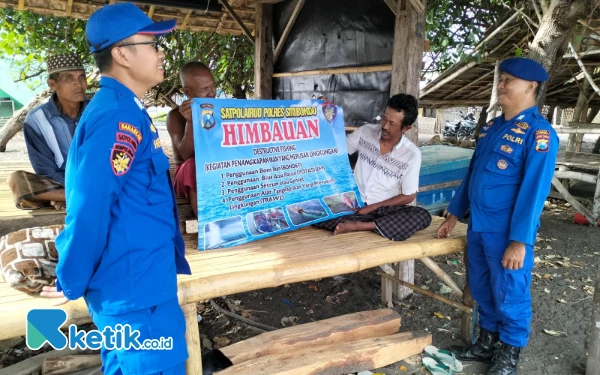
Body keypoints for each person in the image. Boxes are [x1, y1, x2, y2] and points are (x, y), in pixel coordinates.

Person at [39, 3, 191, 375]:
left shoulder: (127, 109)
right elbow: (89, 206)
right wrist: (70, 277)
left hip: (142, 283)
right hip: (135, 294)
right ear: (122, 54)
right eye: (152, 43)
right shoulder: (117, 117)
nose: (160, 53)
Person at [436, 57, 559, 375]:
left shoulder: (539, 134)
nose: (501, 85)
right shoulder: (493, 127)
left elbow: (534, 193)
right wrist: (453, 214)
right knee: (481, 287)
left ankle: (509, 354)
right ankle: (486, 344)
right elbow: (473, 174)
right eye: (501, 79)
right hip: (477, 225)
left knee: (509, 291)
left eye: (509, 80)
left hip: (507, 233)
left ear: (530, 86)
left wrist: (520, 241)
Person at [313, 93, 432, 241]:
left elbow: (409, 195)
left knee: (422, 216)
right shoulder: (366, 132)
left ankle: (359, 226)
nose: (385, 126)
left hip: (384, 210)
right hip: (353, 205)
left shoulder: (411, 154)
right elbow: (338, 151)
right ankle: (373, 226)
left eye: (392, 124)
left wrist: (371, 208)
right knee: (315, 212)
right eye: (384, 119)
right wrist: (328, 119)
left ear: (406, 128)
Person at [7, 53, 89, 211]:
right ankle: (77, 196)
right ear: (52, 84)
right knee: (17, 180)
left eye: (82, 78)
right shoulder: (36, 120)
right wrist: (73, 185)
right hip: (61, 181)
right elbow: (45, 169)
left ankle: (63, 197)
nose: (79, 84)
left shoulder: (98, 111)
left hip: (97, 177)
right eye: (69, 79)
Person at [166, 61, 217, 217]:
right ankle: (207, 226)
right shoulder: (175, 116)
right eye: (204, 89)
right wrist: (190, 121)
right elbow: (186, 155)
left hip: (216, 167)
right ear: (187, 92)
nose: (212, 93)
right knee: (193, 165)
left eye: (213, 86)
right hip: (187, 174)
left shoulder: (219, 109)